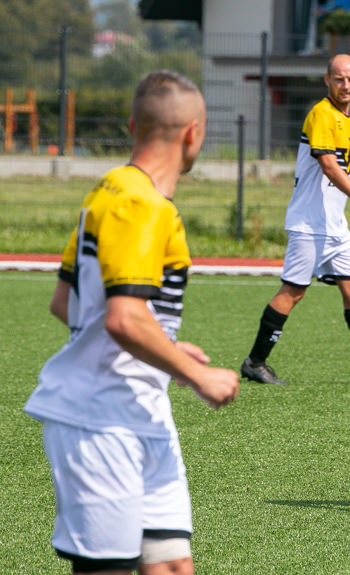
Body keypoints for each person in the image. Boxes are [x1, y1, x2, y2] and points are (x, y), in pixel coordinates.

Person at [24, 70, 239, 573]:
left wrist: (163, 345)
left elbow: (68, 304)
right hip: (100, 420)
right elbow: (122, 318)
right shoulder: (140, 202)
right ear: (194, 132)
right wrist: (198, 374)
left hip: (142, 410)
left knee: (170, 565)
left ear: (131, 124)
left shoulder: (112, 192)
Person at [241, 54, 350, 385]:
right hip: (309, 224)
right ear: (327, 80)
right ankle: (254, 362)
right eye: (339, 79)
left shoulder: (346, 118)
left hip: (334, 225)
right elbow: (329, 167)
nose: (346, 85)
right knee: (292, 292)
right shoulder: (322, 114)